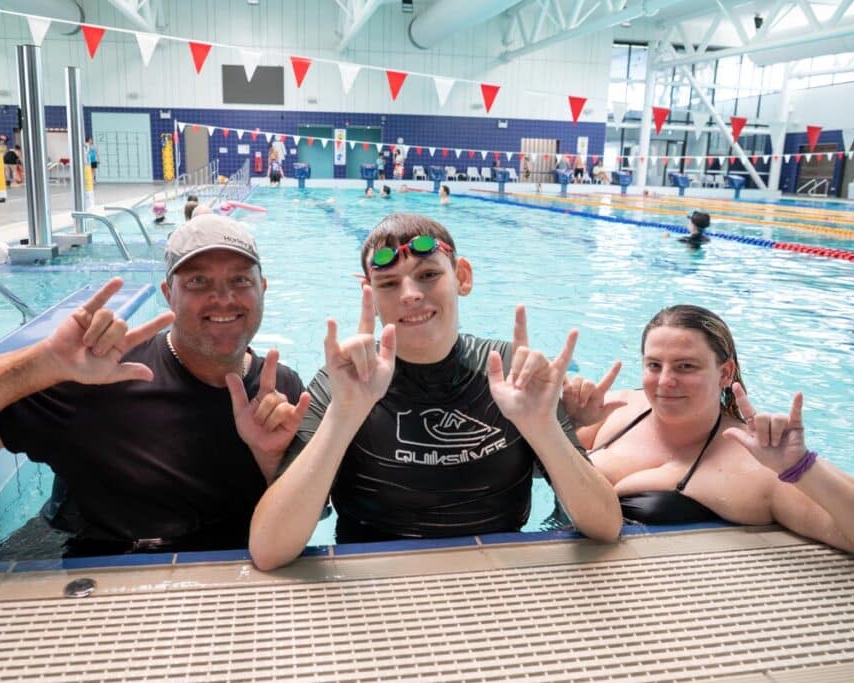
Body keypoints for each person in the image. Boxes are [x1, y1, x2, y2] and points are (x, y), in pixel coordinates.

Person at [0, 214, 311, 556]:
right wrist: (43, 364)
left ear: (262, 289)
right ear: (168, 294)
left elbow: (300, 523)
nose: (224, 298)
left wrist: (271, 460)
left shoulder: (281, 390)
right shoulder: (100, 378)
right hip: (98, 571)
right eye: (198, 281)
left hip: (225, 582)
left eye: (240, 280)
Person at [248, 213, 622, 570]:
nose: (410, 294)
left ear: (462, 276)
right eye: (389, 283)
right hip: (375, 586)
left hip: (500, 583)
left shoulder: (513, 376)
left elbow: (605, 526)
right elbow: (268, 550)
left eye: (427, 275)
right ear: (369, 293)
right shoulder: (344, 383)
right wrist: (344, 416)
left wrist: (542, 427)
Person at [565, 304, 854, 567]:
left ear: (724, 373)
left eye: (685, 367)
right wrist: (570, 428)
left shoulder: (754, 465)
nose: (665, 381)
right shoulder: (618, 409)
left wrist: (803, 469)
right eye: (654, 365)